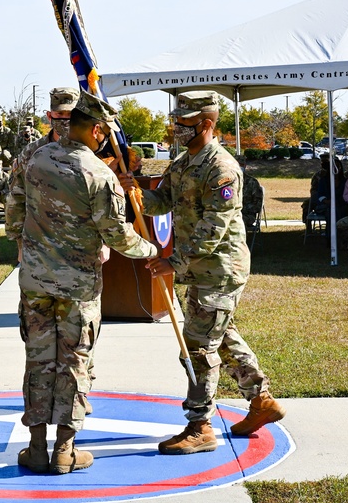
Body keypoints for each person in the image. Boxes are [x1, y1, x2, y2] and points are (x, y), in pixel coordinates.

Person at [124, 90, 285, 455]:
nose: (177, 131)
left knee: (198, 347)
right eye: (176, 124)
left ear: (207, 124)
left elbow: (215, 225)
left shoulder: (221, 168)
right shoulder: (184, 162)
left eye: (185, 125)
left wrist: (175, 261)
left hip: (219, 270)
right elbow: (161, 202)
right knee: (222, 335)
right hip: (199, 270)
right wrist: (131, 191)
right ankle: (262, 401)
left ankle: (200, 426)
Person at [17, 91, 158, 474]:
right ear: (97, 130)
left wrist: (27, 245)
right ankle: (65, 449)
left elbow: (17, 207)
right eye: (105, 133)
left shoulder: (36, 158)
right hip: (77, 286)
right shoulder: (98, 174)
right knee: (75, 362)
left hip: (35, 280)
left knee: (39, 360)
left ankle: (35, 447)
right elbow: (116, 235)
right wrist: (150, 251)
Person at [5, 88, 80, 254]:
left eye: (70, 115)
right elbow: (17, 195)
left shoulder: (90, 151)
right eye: (60, 115)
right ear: (49, 116)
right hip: (41, 243)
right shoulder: (32, 152)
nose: (65, 120)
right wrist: (18, 240)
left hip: (81, 243)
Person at [239, 158, 264, 230]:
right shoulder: (228, 182)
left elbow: (258, 205)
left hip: (247, 215)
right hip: (230, 213)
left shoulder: (252, 182)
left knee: (237, 221)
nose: (239, 167)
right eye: (237, 165)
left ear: (245, 166)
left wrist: (242, 209)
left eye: (241, 165)